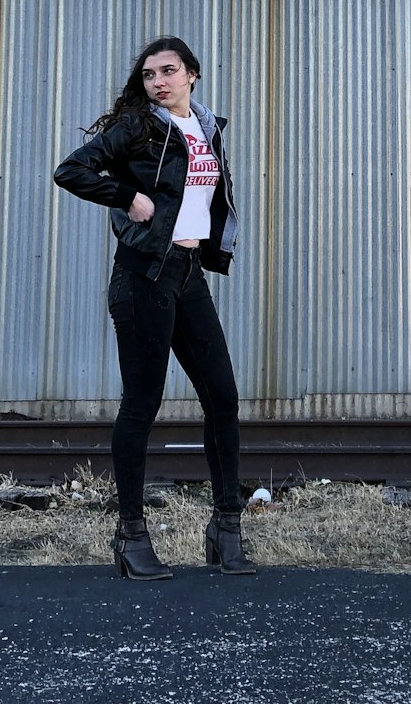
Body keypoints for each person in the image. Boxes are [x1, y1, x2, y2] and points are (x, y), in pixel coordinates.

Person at [53, 36, 255, 580]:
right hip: (143, 277)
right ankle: (131, 535)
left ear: (192, 74)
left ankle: (226, 528)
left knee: (224, 398)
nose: (158, 82)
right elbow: (70, 170)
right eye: (148, 75)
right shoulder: (139, 127)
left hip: (188, 275)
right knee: (142, 406)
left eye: (168, 72)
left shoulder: (206, 128)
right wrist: (125, 197)